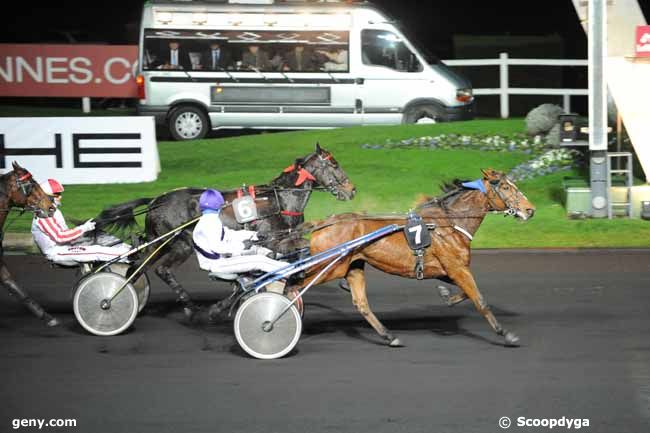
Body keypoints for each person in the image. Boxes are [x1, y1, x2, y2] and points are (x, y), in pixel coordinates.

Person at [31, 179, 131, 266]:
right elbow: (60, 237)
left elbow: (64, 234)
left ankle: (126, 248)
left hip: (66, 246)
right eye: (57, 194)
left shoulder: (53, 211)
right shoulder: (43, 216)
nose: (60, 197)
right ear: (47, 197)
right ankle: (127, 255)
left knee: (97, 238)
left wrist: (85, 229)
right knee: (95, 250)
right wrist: (83, 228)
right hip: (57, 252)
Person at [192, 189, 287, 280]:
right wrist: (242, 245)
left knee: (257, 250)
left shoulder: (210, 220)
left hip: (222, 259)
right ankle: (290, 270)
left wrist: (254, 235)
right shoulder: (209, 223)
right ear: (218, 205)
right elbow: (218, 247)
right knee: (258, 260)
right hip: (217, 264)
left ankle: (282, 262)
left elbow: (230, 235)